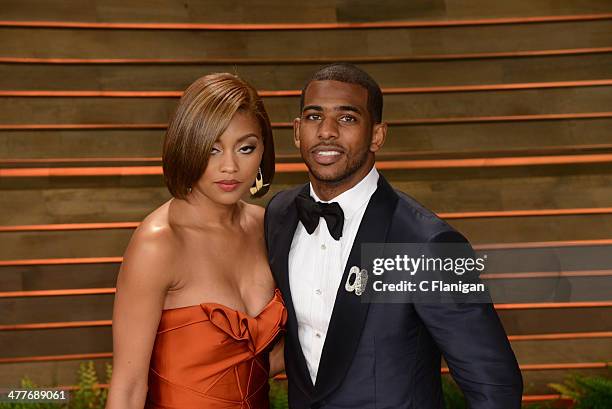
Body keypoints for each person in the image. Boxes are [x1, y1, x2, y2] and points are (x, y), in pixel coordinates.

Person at [264, 63, 523, 409]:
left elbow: (496, 385)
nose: (326, 131)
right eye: (314, 117)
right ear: (297, 131)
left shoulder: (429, 244)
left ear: (377, 135)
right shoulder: (279, 215)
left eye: (347, 119)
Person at [106, 73, 286, 409]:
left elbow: (262, 360)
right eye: (212, 149)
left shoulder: (269, 228)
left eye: (245, 148)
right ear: (188, 147)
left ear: (264, 151)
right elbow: (129, 387)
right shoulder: (159, 244)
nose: (230, 166)